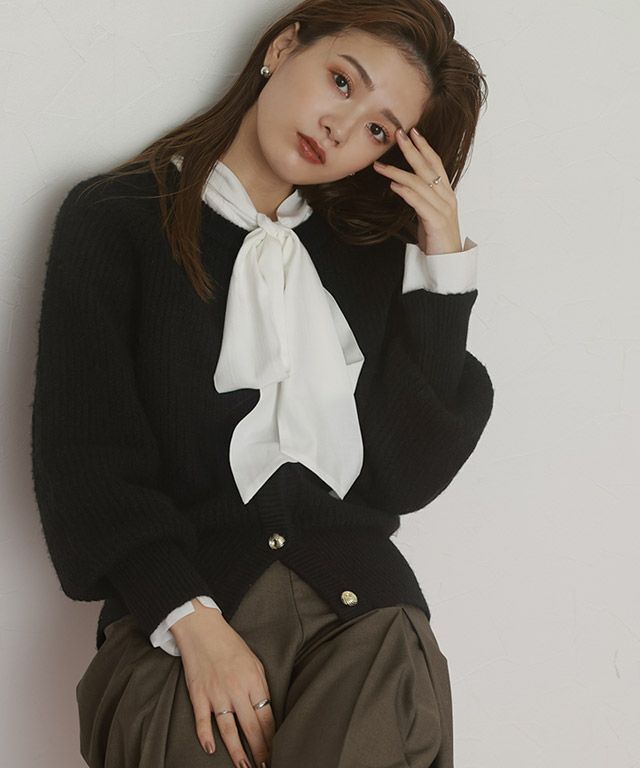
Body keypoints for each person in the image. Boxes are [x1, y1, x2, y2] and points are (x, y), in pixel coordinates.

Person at [30, 0, 493, 766]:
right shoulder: (116, 220)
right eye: (342, 81)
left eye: (379, 130)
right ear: (283, 47)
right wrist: (190, 620)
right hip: (179, 622)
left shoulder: (370, 258)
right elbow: (86, 463)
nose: (340, 128)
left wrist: (442, 268)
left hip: (365, 626)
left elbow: (406, 475)